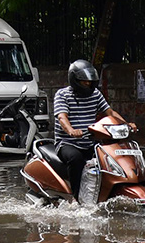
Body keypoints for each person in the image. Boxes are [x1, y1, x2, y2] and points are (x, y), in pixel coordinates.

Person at [53, 59, 134, 199]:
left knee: (109, 156)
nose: (88, 84)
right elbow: (62, 117)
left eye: (90, 81)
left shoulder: (95, 94)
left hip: (90, 143)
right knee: (75, 158)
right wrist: (71, 130)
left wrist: (126, 124)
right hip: (67, 143)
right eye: (84, 81)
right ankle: (77, 197)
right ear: (74, 80)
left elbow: (110, 113)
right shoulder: (62, 95)